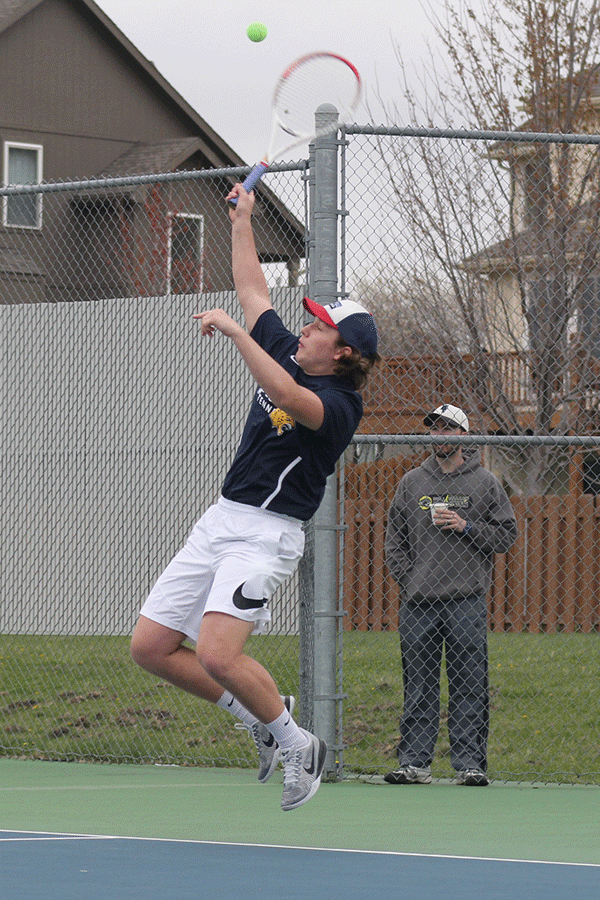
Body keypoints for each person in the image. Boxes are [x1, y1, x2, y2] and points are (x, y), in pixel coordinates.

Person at [130, 183, 379, 811]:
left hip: (267, 534)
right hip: (221, 518)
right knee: (151, 648)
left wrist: (238, 336)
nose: (302, 327)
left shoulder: (342, 406)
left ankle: (299, 743)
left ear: (343, 352)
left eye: (317, 327)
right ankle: (262, 717)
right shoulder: (287, 347)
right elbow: (253, 290)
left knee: (216, 654)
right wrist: (242, 220)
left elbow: (292, 400)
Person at [384, 403, 517, 787]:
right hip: (418, 603)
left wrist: (466, 526)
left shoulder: (485, 483)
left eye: (448, 429)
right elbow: (395, 541)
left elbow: (506, 535)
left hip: (466, 600)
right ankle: (415, 763)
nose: (440, 435)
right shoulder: (412, 483)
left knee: (469, 681)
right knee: (419, 684)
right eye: (435, 429)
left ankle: (470, 764)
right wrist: (410, 582)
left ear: (462, 435)